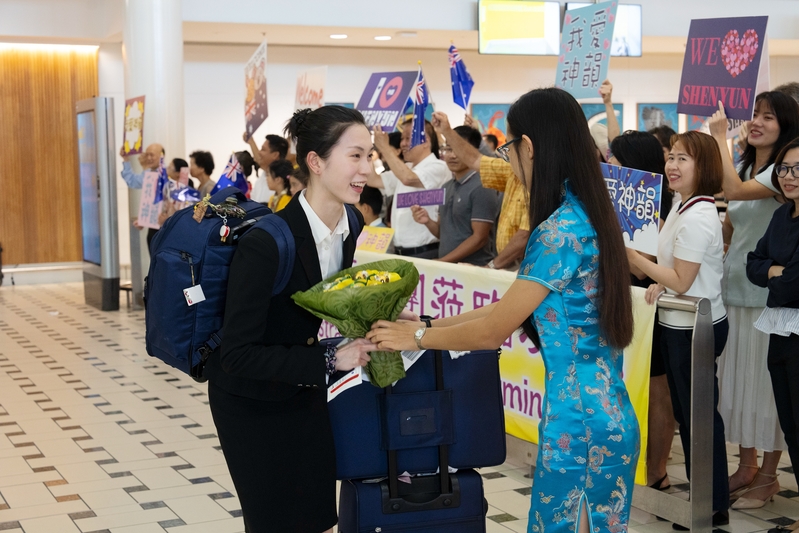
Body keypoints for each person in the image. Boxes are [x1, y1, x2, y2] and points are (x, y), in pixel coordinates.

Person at [369, 88, 639, 533]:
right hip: (605, 414)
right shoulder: (586, 214)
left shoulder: (558, 232)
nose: (509, 159)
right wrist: (431, 322)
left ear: (528, 147)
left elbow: (492, 331)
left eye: (509, 147)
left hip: (580, 427)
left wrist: (415, 338)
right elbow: (508, 310)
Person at [206, 106, 378, 533]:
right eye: (355, 156)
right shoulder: (267, 243)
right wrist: (329, 361)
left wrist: (381, 313)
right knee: (274, 521)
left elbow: (330, 297)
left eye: (370, 156)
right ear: (316, 162)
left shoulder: (350, 222)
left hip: (303, 390)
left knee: (316, 516)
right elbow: (237, 355)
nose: (367, 169)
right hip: (249, 402)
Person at [626, 131, 731, 527]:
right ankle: (705, 499)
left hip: (695, 329)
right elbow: (675, 274)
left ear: (702, 167)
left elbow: (684, 280)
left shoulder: (701, 216)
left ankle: (712, 503)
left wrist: (637, 258)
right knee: (690, 417)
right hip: (676, 324)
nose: (672, 165)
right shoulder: (680, 205)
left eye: (683, 159)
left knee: (700, 418)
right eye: (671, 157)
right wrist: (660, 280)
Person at [708, 92, 799, 508]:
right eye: (756, 114)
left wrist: (719, 138)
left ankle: (767, 476)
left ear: (786, 126)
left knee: (766, 387)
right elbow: (731, 221)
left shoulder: (782, 172)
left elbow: (732, 189)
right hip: (735, 286)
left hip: (769, 297)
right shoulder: (752, 165)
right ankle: (745, 467)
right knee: (737, 383)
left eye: (769, 116)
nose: (758, 122)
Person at [609, 130, 675, 492]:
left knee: (657, 391)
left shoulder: (660, 206)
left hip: (651, 308)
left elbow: (640, 268)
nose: (608, 164)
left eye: (615, 159)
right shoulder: (610, 199)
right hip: (621, 305)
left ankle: (657, 470)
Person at [746, 138, 799, 533]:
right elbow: (753, 261)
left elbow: (794, 283)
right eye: (783, 168)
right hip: (780, 330)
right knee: (791, 424)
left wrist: (776, 274)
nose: (789, 177)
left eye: (798, 169)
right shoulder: (782, 216)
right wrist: (775, 271)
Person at [431, 111, 531, 270]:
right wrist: (446, 132)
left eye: (508, 146)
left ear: (528, 147)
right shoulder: (512, 171)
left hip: (519, 266)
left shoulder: (539, 181)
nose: (507, 154)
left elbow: (523, 235)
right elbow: (477, 160)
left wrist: (491, 266)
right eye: (447, 149)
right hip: (506, 266)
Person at [411, 126, 500, 266]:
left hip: (473, 269)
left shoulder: (483, 186)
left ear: (473, 152)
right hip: (448, 270)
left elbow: (479, 238)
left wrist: (443, 261)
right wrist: (427, 221)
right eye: (448, 149)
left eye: (458, 149)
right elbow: (443, 233)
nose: (452, 155)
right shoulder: (446, 187)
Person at [366, 118, 450, 258]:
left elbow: (408, 179)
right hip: (401, 253)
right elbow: (372, 180)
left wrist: (385, 148)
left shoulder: (439, 167)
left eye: (408, 138)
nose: (403, 143)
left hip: (426, 252)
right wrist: (368, 148)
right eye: (402, 138)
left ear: (426, 141)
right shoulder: (406, 168)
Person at [246, 133, 289, 202]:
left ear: (275, 155)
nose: (259, 152)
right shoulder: (260, 180)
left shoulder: (286, 182)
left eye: (263, 149)